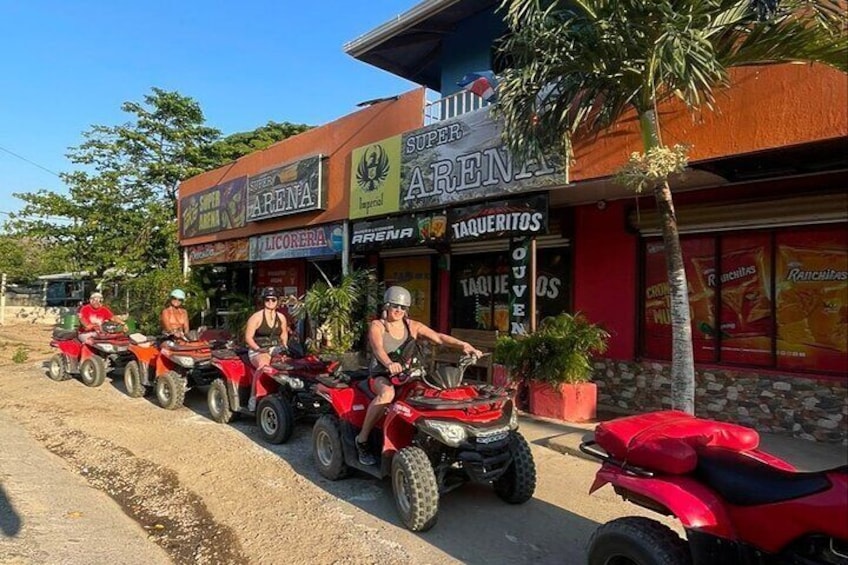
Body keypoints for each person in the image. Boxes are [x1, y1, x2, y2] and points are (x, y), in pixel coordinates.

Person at [355, 286, 482, 465]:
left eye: (403, 307)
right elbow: (378, 349)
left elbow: (438, 337)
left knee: (432, 394)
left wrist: (463, 345)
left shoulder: (412, 326)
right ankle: (362, 440)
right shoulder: (378, 325)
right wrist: (390, 364)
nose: (399, 310)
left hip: (408, 374)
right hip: (381, 374)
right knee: (387, 394)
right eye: (394, 306)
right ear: (387, 306)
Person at [244, 286, 290, 411]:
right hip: (258, 350)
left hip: (276, 348)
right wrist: (258, 349)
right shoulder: (256, 317)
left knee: (293, 363)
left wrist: (284, 346)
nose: (270, 302)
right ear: (263, 300)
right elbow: (248, 338)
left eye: (273, 300)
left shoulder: (281, 317)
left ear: (277, 301)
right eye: (267, 299)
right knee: (263, 365)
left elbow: (284, 333)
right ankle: (253, 397)